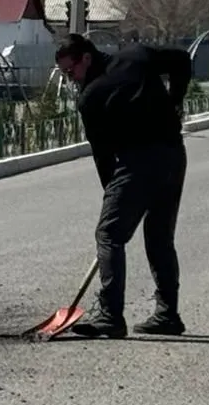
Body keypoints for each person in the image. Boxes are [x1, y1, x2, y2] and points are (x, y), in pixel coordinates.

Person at [52, 33, 193, 338]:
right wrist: (175, 101)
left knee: (109, 234)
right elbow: (182, 59)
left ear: (86, 58)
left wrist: (114, 198)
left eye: (70, 71)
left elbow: (104, 158)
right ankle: (168, 315)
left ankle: (110, 315)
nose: (70, 79)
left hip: (138, 162)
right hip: (172, 155)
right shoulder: (135, 55)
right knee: (159, 237)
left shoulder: (91, 97)